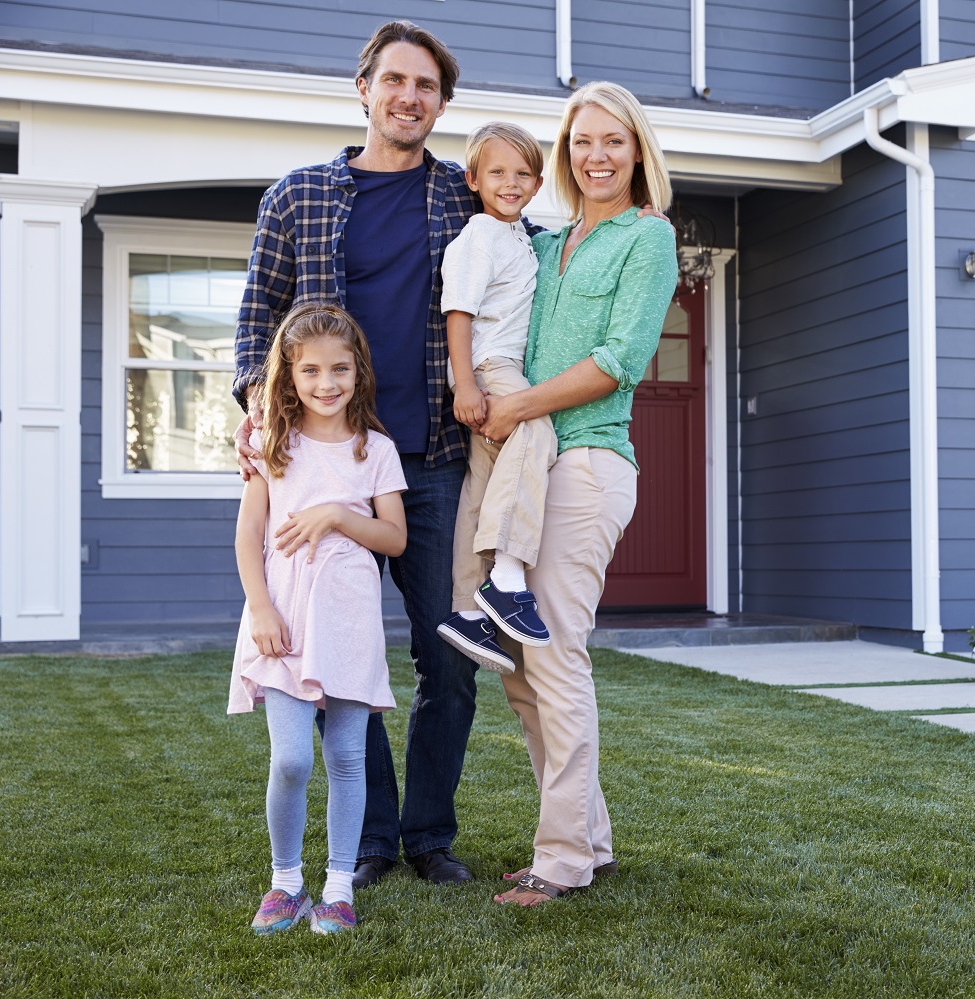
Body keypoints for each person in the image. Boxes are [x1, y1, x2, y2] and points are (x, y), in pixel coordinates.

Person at [233, 20, 493, 887]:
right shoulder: (298, 196)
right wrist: (252, 410)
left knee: (447, 653)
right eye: (395, 81)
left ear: (441, 103)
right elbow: (255, 327)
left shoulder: (463, 199)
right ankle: (371, 837)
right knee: (342, 652)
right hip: (325, 463)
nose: (409, 97)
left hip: (434, 458)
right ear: (365, 88)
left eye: (426, 85)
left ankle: (428, 834)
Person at [471, 82, 679, 906]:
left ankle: (559, 861)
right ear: (566, 152)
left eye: (613, 141)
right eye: (583, 141)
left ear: (637, 152)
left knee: (554, 654)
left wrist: (514, 405)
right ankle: (589, 839)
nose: (597, 155)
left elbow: (618, 359)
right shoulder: (547, 241)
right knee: (522, 666)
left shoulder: (648, 238)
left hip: (588, 463)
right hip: (531, 463)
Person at [229, 303, 407, 935]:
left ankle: (337, 887)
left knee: (348, 757)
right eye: (310, 371)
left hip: (349, 621)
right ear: (289, 375)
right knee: (292, 762)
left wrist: (335, 513)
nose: (326, 384)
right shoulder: (273, 446)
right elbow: (249, 536)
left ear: (358, 370)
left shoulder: (376, 450)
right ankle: (285, 883)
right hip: (285, 620)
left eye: (340, 369)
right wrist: (260, 607)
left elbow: (393, 538)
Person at [436, 122, 559, 671]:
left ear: (535, 184)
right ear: (474, 179)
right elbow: (457, 312)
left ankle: (465, 610)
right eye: (498, 173)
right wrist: (466, 383)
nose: (510, 183)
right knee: (535, 431)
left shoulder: (521, 237)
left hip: (495, 367)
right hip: (490, 365)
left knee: (481, 485)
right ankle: (507, 576)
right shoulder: (479, 237)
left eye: (523, 174)